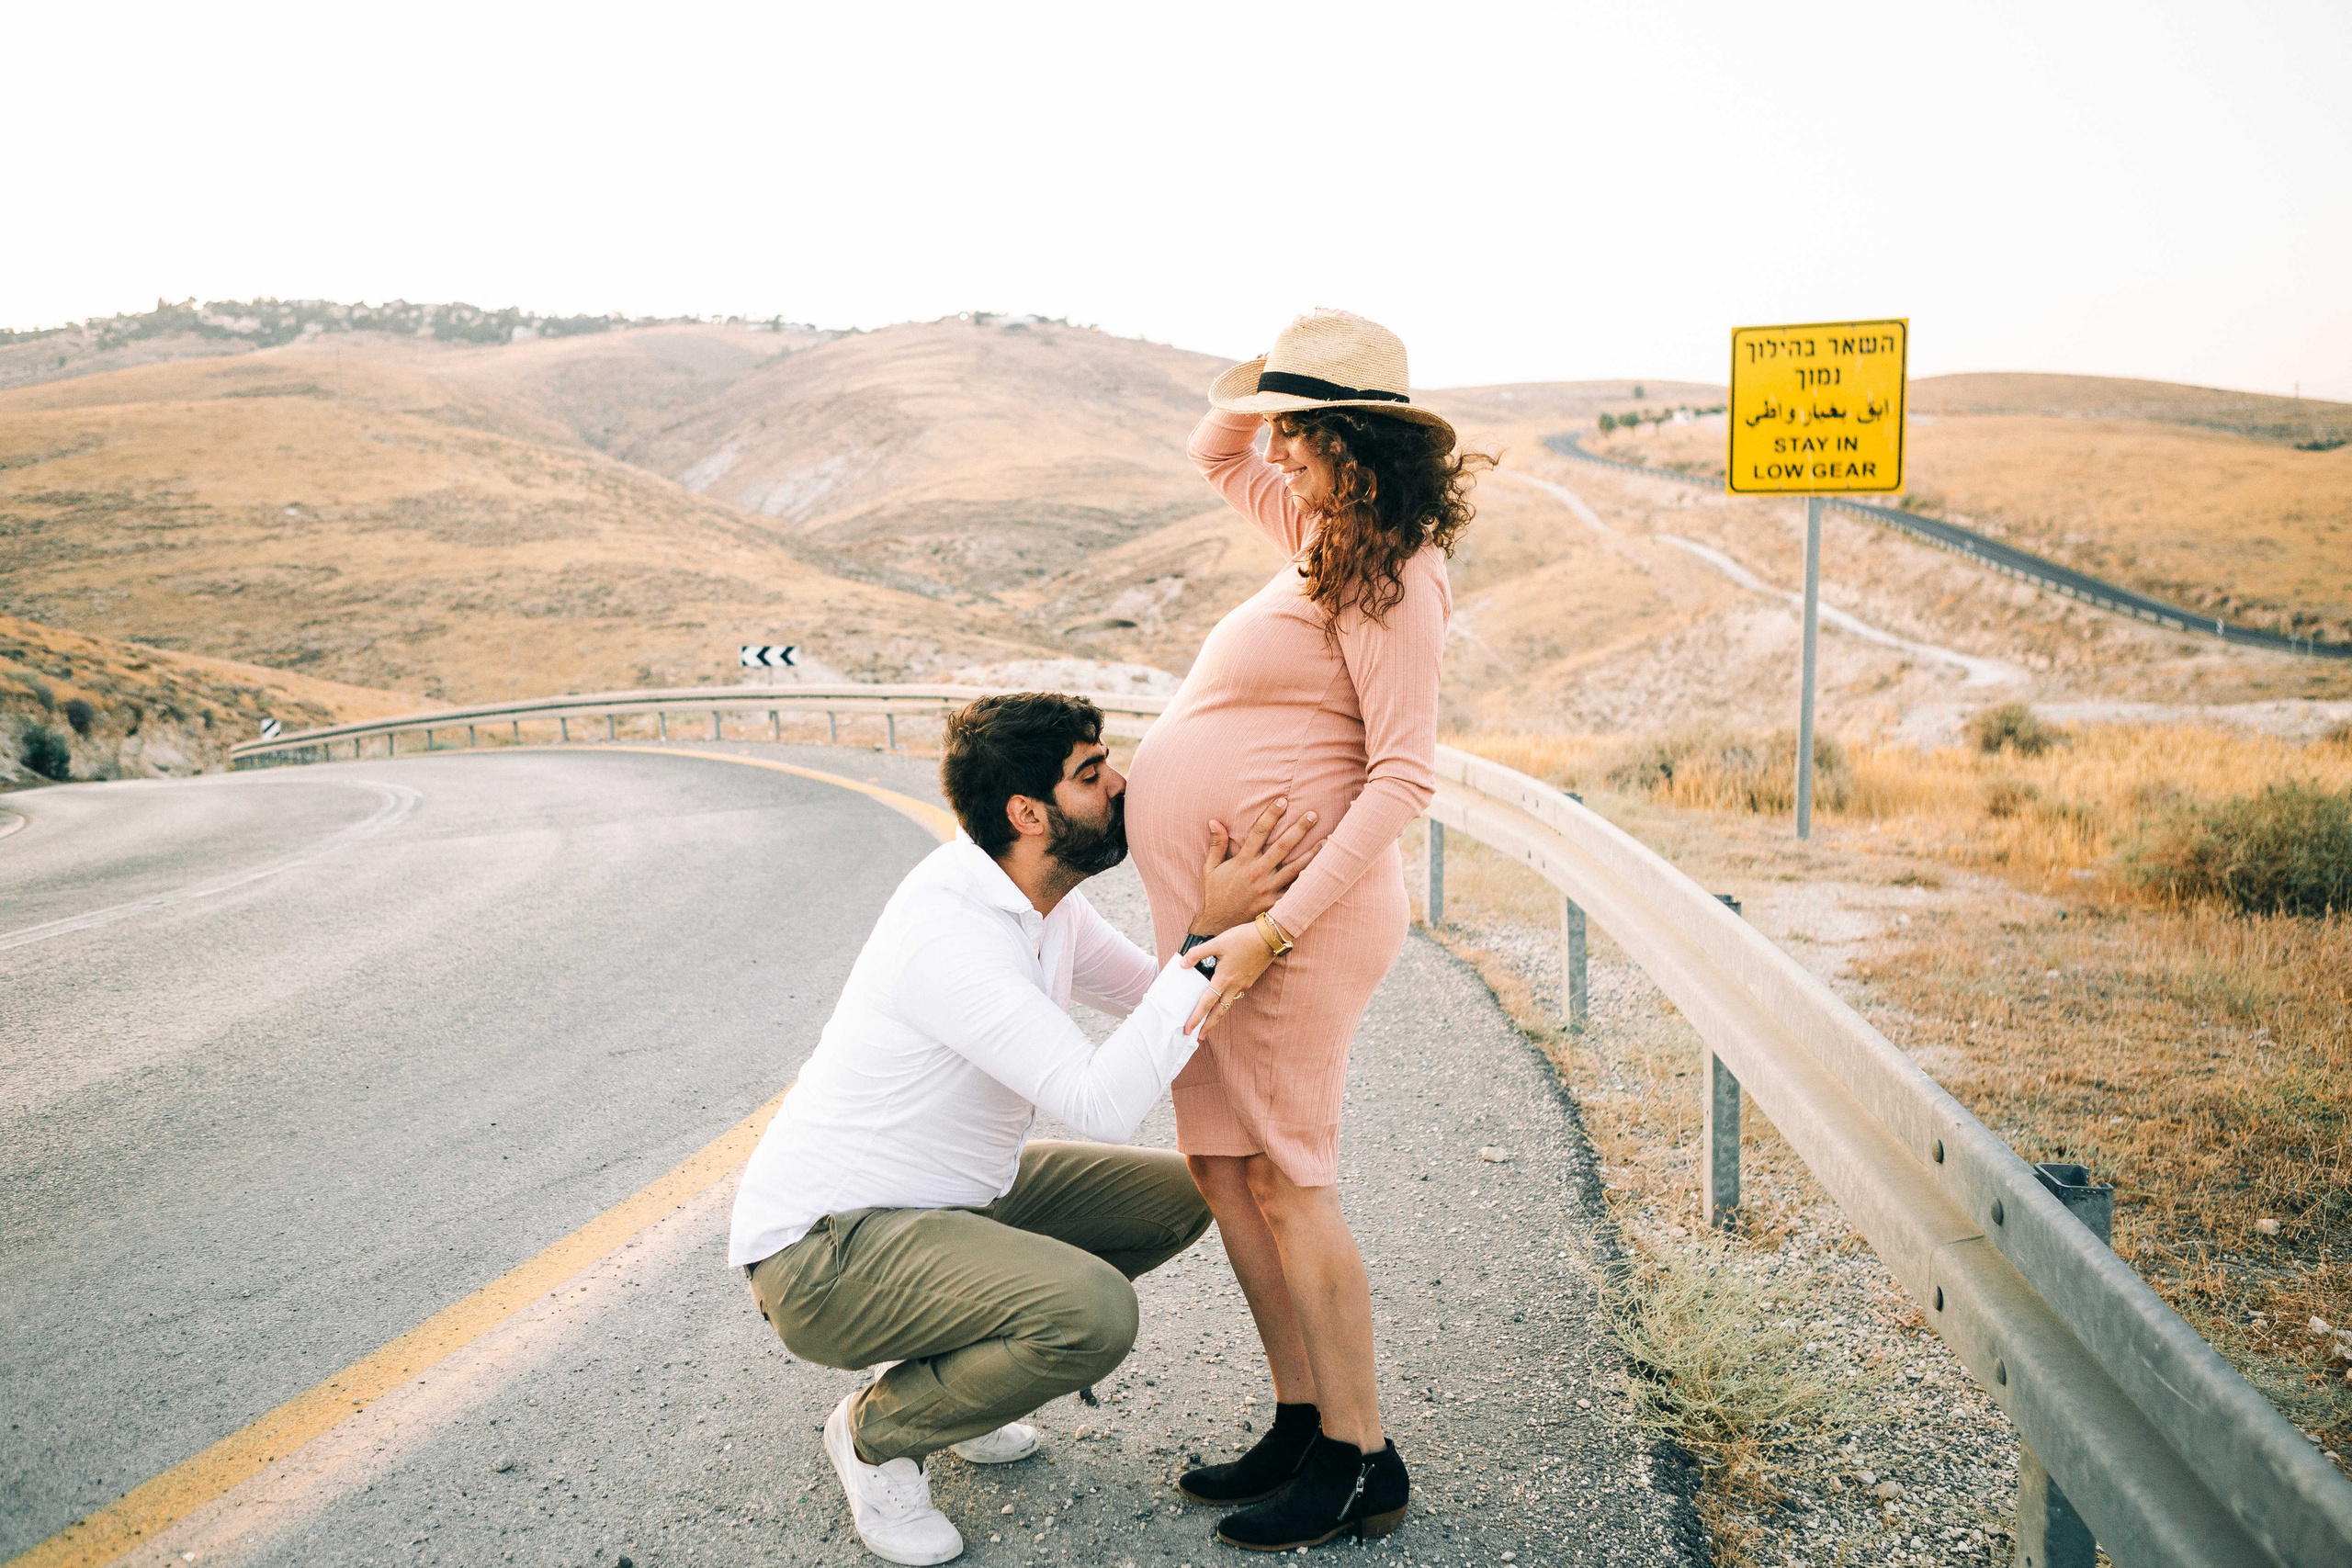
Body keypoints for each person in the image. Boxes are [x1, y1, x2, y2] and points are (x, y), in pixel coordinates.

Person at [729, 692, 1315, 1566]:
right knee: (1094, 1316)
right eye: (1092, 773)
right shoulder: (951, 931)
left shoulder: (1045, 905)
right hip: (824, 1254)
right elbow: (1104, 1096)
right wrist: (1206, 925)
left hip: (947, 1206)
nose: (1121, 784)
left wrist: (1252, 934)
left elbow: (1155, 994)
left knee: (1180, 1194)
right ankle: (875, 1434)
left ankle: (960, 1388)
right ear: (1027, 812)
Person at [1127, 310, 1486, 1551]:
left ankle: (1358, 1455)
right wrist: (1273, 382)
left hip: (1295, 929)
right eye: (1278, 426)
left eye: (1298, 432)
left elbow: (1403, 777)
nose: (1271, 452)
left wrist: (1271, 929)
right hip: (1232, 923)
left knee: (1290, 1174)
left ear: (1351, 441)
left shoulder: (1395, 570)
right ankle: (1299, 1414)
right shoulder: (1327, 537)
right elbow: (1212, 450)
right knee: (1226, 1169)